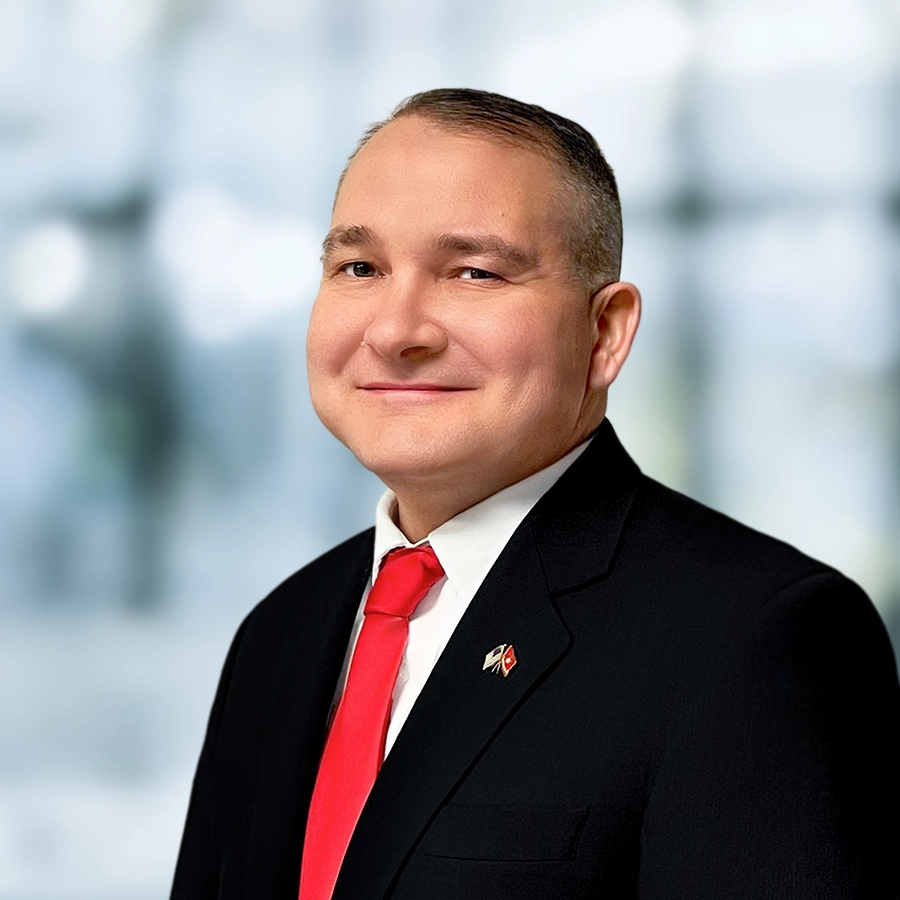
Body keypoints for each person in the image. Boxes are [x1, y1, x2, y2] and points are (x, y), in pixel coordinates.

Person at [170, 88, 900, 900]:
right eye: (360, 268)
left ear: (605, 332)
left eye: (473, 272)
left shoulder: (756, 638)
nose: (395, 329)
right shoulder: (282, 632)